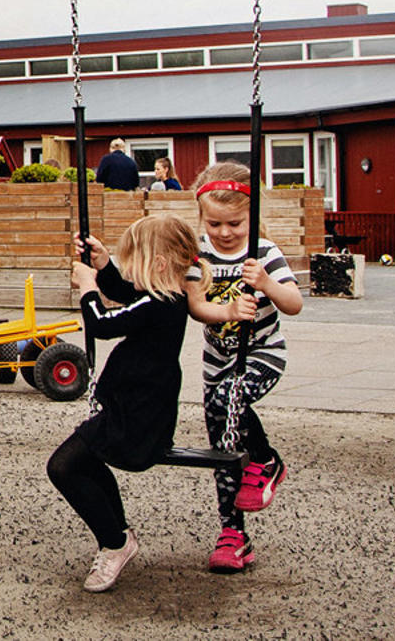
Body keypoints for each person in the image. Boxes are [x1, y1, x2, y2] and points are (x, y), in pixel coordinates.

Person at [47, 215, 253, 592]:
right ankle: (117, 539)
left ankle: (115, 542)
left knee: (63, 466)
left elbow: (104, 324)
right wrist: (104, 265)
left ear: (158, 265)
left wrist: (88, 287)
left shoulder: (161, 304)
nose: (128, 271)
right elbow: (126, 293)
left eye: (132, 261)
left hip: (137, 416)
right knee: (76, 462)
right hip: (133, 408)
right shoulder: (161, 298)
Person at [185, 161, 307, 574]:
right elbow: (196, 306)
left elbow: (293, 303)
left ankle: (267, 460)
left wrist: (267, 284)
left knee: (230, 396)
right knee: (223, 452)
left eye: (234, 223)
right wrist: (229, 310)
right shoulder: (198, 253)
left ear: (250, 217)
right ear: (202, 218)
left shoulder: (263, 253)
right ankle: (233, 535)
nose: (224, 232)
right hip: (217, 362)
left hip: (262, 355)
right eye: (215, 223)